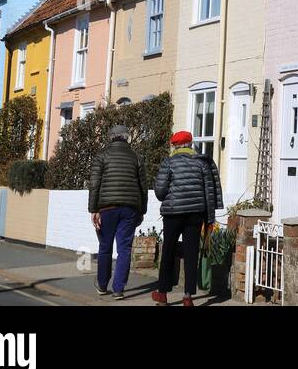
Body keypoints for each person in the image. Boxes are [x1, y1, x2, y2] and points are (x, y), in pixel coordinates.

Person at [152, 130, 223, 306]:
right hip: (195, 214)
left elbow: (160, 193)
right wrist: (209, 217)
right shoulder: (202, 163)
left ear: (175, 145)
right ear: (190, 145)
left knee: (168, 251)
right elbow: (209, 191)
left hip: (173, 213)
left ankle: (162, 294)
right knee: (192, 253)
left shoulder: (168, 163)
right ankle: (188, 297)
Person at [88, 124, 147, 300]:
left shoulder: (102, 156)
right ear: (126, 137)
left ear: (111, 137)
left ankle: (102, 284)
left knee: (105, 247)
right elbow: (143, 187)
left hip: (106, 208)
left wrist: (93, 209)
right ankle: (119, 289)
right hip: (130, 208)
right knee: (125, 249)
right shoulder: (136, 157)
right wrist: (142, 210)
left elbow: (94, 185)